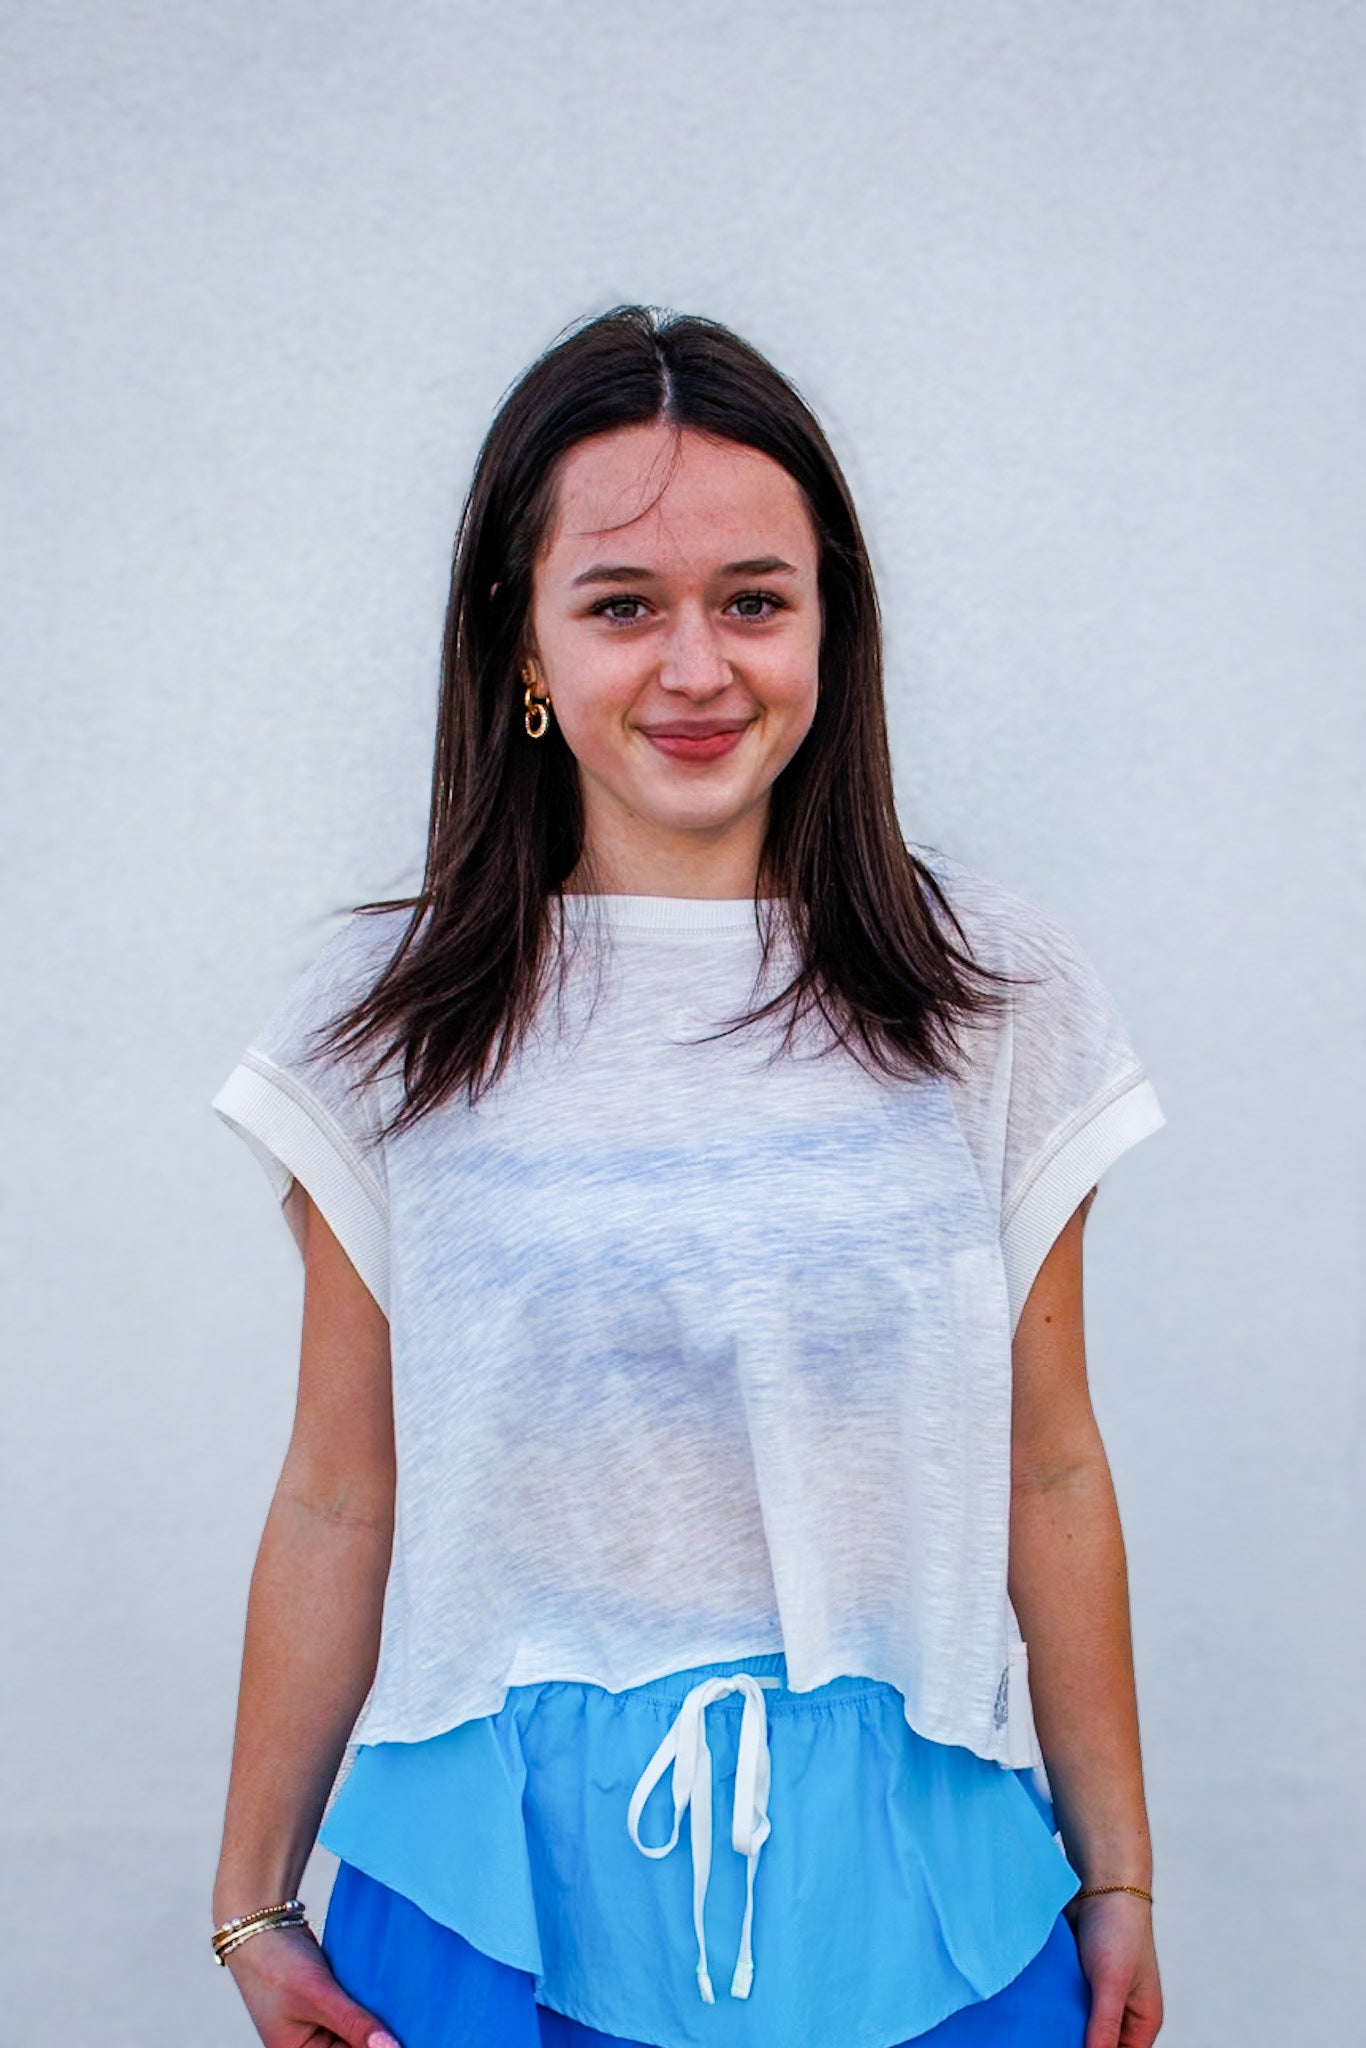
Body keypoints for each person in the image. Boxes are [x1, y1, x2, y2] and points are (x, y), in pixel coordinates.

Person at [210, 305, 1166, 2048]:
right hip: (495, 1910)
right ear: (522, 647)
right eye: (622, 604)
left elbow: (1048, 1459)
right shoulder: (384, 1019)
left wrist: (1116, 1874)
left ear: (827, 627)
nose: (696, 667)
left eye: (752, 599)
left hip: (923, 1900)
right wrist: (252, 1899)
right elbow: (341, 1490)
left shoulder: (993, 992)